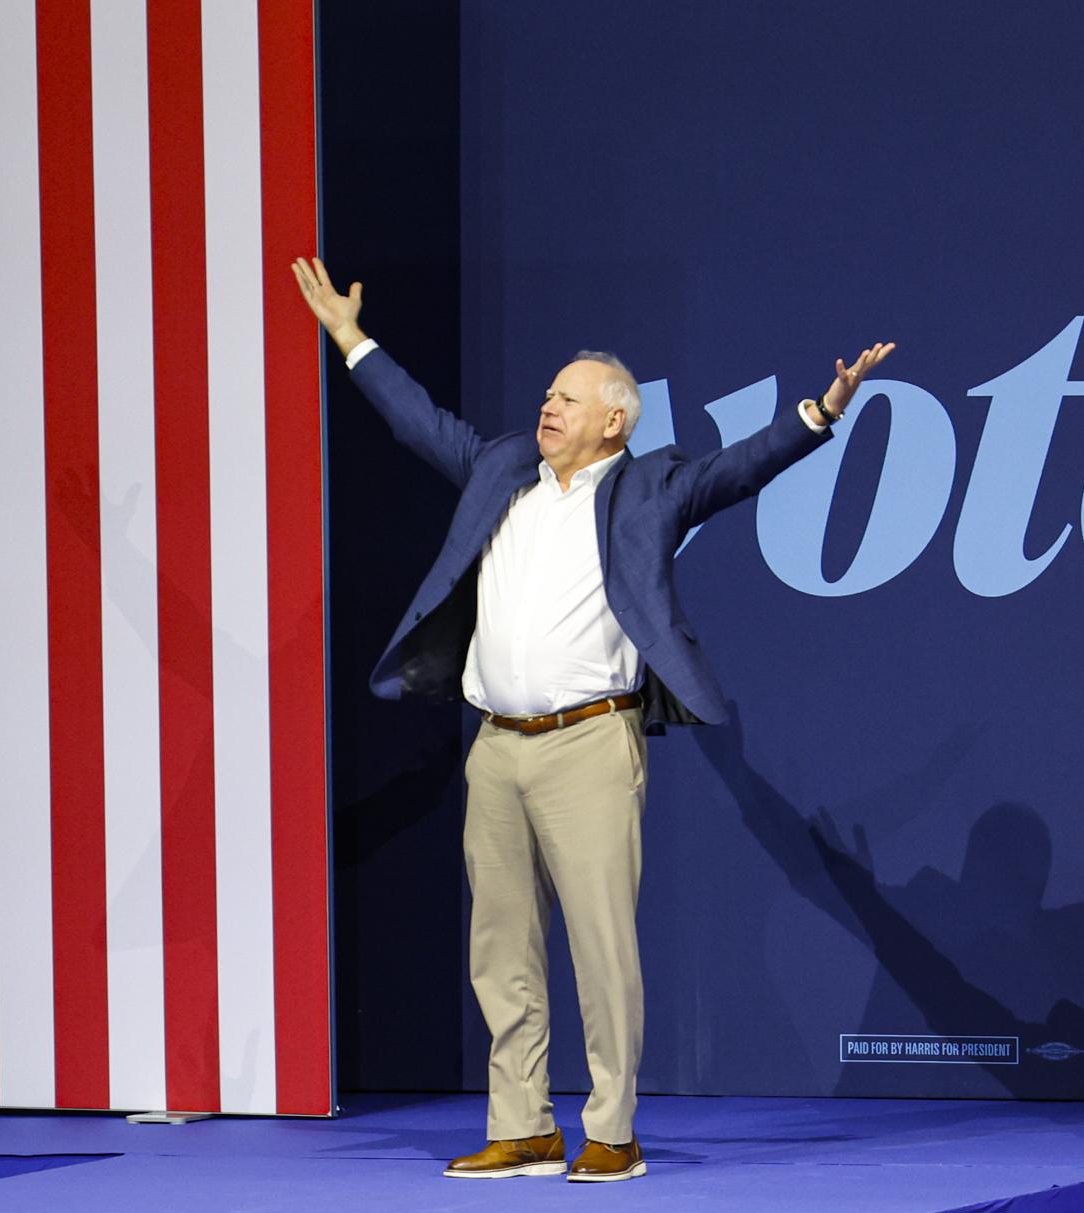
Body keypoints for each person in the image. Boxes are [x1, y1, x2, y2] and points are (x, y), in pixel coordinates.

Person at [292, 256, 892, 1183]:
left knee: (601, 946)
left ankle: (611, 1128)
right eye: (547, 393)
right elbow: (418, 422)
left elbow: (742, 469)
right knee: (499, 947)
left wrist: (824, 411)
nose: (549, 407)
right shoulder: (502, 468)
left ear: (614, 418)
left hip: (589, 746)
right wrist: (350, 339)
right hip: (495, 747)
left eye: (568, 398)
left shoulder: (652, 486)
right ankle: (523, 1124)